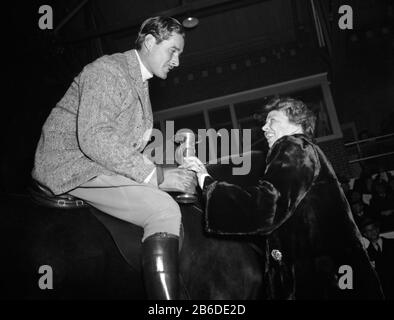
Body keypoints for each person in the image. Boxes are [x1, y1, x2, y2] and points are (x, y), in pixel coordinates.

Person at [32, 16, 195, 300]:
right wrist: (157, 176)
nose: (177, 61)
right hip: (73, 164)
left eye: (180, 53)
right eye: (173, 50)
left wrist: (169, 159)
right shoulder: (109, 70)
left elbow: (127, 148)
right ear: (148, 42)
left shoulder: (139, 82)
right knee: (163, 210)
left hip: (96, 161)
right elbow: (95, 137)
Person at [182, 97, 383, 299]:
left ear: (297, 121)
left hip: (319, 278)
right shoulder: (307, 152)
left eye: (272, 121)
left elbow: (267, 206)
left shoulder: (294, 146)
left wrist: (205, 180)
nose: (264, 128)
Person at [360, 218, 394, 299]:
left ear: (378, 229)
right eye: (368, 230)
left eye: (373, 228)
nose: (372, 232)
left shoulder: (392, 243)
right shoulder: (366, 254)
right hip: (385, 292)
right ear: (365, 234)